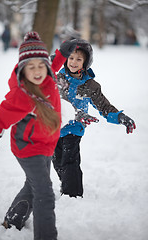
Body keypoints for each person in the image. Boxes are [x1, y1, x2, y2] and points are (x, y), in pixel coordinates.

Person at [0, 31, 77, 240]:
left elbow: (52, 64)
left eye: (40, 65)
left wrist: (63, 53)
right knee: (45, 193)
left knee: (33, 184)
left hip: (46, 143)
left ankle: (14, 218)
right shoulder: (21, 95)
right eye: (31, 67)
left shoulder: (48, 76)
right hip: (28, 148)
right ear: (22, 70)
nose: (37, 71)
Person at [52, 38, 136, 198]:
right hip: (55, 127)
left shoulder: (90, 86)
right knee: (57, 162)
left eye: (78, 59)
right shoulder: (57, 77)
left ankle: (73, 195)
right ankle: (66, 186)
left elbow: (103, 106)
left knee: (70, 162)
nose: (74, 62)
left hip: (74, 128)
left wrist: (120, 117)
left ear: (85, 62)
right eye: (71, 58)